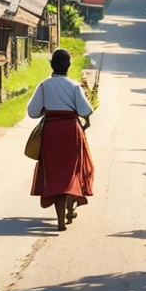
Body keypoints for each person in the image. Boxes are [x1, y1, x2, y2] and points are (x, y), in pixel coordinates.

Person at [27, 47, 95, 232]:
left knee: (56, 174)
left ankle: (60, 221)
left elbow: (32, 112)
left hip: (51, 132)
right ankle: (70, 206)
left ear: (52, 65)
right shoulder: (74, 86)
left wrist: (46, 110)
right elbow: (86, 110)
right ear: (68, 66)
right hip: (71, 131)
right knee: (73, 171)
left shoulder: (44, 85)